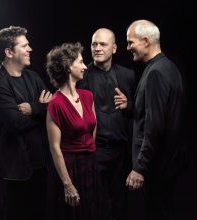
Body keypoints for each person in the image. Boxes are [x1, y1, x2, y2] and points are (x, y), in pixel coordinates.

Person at [0, 26, 52, 220]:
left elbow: (53, 107)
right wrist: (42, 108)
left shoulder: (33, 77)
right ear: (9, 52)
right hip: (14, 170)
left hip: (40, 167)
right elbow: (15, 123)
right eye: (24, 45)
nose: (30, 49)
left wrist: (34, 108)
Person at [125, 19, 185, 220]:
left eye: (131, 42)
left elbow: (155, 126)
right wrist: (131, 108)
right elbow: (160, 115)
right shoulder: (169, 68)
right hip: (167, 165)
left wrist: (140, 168)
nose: (128, 48)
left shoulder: (155, 73)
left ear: (146, 41)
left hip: (156, 169)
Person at [46, 42, 109, 220]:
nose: (84, 66)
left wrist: (89, 149)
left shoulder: (87, 96)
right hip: (69, 169)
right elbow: (55, 148)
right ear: (68, 67)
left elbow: (93, 127)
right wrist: (67, 184)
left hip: (90, 165)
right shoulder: (56, 103)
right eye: (80, 62)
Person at [77, 28, 135, 220]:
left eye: (103, 44)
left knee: (121, 208)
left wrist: (129, 106)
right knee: (93, 209)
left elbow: (140, 113)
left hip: (121, 154)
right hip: (94, 153)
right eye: (94, 44)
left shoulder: (128, 75)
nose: (98, 48)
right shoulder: (80, 76)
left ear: (115, 48)